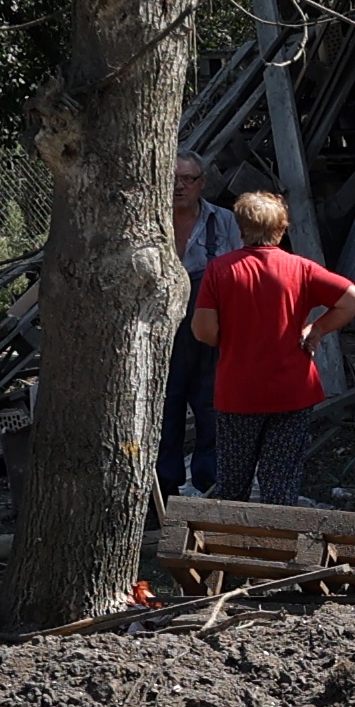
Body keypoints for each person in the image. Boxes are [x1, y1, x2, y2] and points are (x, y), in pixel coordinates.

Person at [191, 190, 355, 509]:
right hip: (292, 392)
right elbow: (353, 299)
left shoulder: (221, 270)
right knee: (280, 483)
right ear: (282, 229)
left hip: (238, 392)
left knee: (232, 483)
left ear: (241, 228)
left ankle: (232, 551)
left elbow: (203, 331)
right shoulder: (302, 269)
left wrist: (232, 340)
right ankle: (278, 548)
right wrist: (317, 329)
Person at [163, 151, 243, 495]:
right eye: (173, 179)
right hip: (163, 332)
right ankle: (163, 489)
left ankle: (210, 485)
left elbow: (242, 274)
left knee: (212, 406)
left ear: (202, 183)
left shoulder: (224, 222)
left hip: (210, 331)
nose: (180, 187)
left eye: (188, 179)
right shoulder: (151, 223)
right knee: (166, 407)